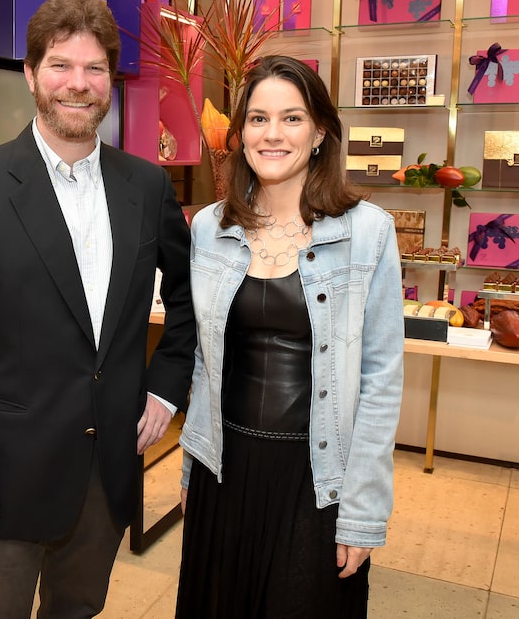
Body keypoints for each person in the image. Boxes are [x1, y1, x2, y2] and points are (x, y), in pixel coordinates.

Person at [0, 0, 196, 619]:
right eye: (61, 66)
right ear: (31, 75)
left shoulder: (145, 186)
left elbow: (191, 299)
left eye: (94, 69)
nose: (79, 83)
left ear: (111, 82)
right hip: (3, 483)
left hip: (105, 475)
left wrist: (166, 387)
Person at [175, 55, 404, 618]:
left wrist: (363, 512)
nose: (272, 134)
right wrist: (190, 466)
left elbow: (380, 380)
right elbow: (207, 362)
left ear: (321, 131)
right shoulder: (210, 228)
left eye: (292, 118)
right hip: (223, 467)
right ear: (241, 133)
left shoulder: (367, 231)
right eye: (257, 119)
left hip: (316, 476)